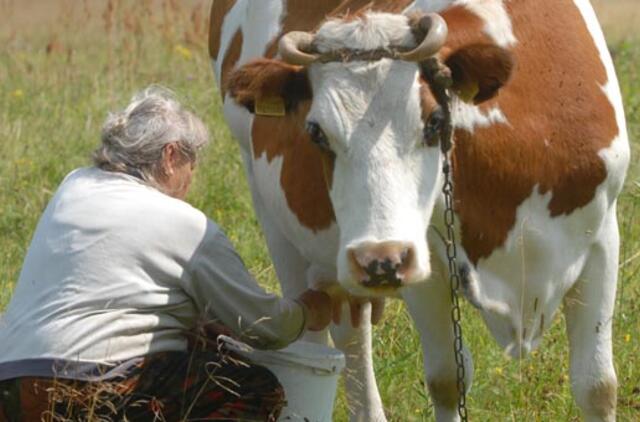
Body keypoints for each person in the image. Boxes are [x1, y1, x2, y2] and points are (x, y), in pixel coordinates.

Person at [0, 86, 336, 422]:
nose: (191, 179)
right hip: (88, 385)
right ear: (171, 156)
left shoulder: (72, 187)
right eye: (192, 164)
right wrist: (309, 310)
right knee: (252, 388)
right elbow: (268, 329)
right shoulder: (184, 225)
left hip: (10, 384)